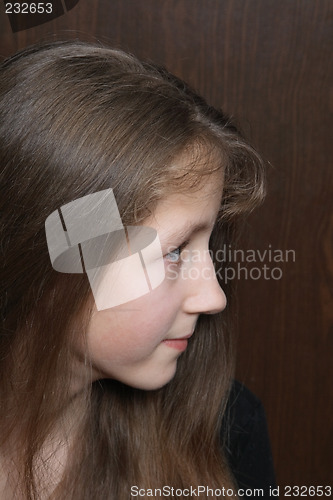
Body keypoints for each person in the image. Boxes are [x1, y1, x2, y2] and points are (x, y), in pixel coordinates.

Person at [0, 41, 274, 499]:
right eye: (175, 251)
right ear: (55, 262)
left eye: (208, 247)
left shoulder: (227, 432)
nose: (214, 297)